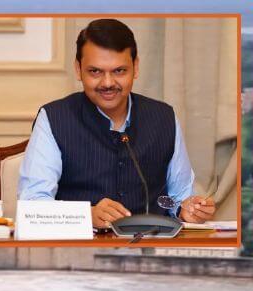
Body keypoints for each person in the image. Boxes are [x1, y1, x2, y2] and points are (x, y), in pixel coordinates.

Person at [16, 19, 216, 228]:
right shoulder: (53, 117)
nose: (108, 83)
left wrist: (189, 210)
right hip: (80, 252)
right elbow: (32, 206)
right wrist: (86, 216)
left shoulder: (164, 116)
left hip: (151, 248)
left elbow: (179, 199)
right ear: (78, 69)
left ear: (135, 67)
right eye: (95, 71)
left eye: (119, 71)